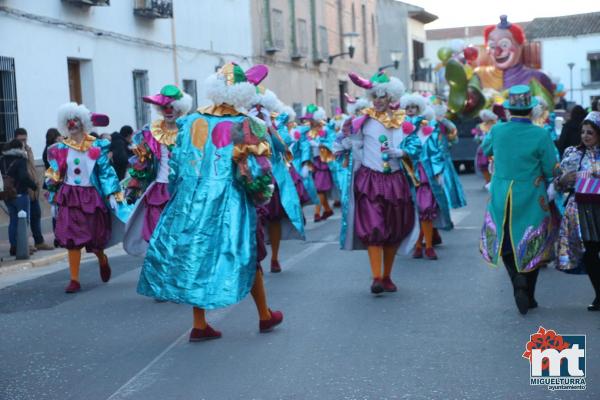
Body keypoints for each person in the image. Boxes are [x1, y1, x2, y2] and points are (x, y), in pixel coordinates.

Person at [137, 63, 283, 341]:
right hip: (231, 202)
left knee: (197, 255)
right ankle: (264, 315)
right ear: (242, 92)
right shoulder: (242, 124)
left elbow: (177, 167)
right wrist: (260, 195)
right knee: (247, 253)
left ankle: (200, 323)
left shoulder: (190, 121)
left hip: (192, 201)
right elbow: (251, 167)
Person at [480, 85, 559, 315]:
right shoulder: (541, 133)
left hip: (502, 192)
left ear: (508, 110)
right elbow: (550, 168)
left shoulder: (497, 130)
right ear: (531, 110)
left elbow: (486, 150)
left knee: (505, 239)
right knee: (532, 240)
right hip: (532, 194)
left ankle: (516, 279)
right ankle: (529, 292)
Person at [339, 70, 420, 294]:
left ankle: (386, 276)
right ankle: (376, 277)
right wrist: (345, 143)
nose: (378, 101)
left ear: (391, 98)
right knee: (374, 228)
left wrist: (401, 151)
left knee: (394, 228)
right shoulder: (361, 120)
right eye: (375, 96)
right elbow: (345, 140)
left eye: (383, 97)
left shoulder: (403, 121)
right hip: (369, 179)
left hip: (395, 180)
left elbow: (415, 146)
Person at [45, 103, 130, 293]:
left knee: (94, 238)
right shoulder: (60, 149)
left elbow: (106, 173)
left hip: (91, 196)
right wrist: (52, 191)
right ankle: (74, 279)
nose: (72, 124)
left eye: (75, 121)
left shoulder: (96, 146)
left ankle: (102, 258)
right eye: (68, 122)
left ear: (84, 123)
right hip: (69, 196)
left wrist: (112, 195)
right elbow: (55, 172)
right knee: (71, 238)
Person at [122, 85, 192, 256]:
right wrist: (134, 187)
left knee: (180, 235)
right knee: (156, 234)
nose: (168, 111)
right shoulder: (151, 132)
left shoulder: (190, 130)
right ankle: (159, 271)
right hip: (158, 191)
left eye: (172, 107)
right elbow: (142, 162)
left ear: (180, 108)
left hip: (183, 190)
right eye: (164, 107)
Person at [247, 85, 305, 273]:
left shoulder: (276, 123)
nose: (257, 108)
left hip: (274, 177)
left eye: (260, 105)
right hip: (251, 177)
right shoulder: (242, 123)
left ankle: (274, 257)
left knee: (273, 219)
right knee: (254, 220)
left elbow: (284, 146)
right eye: (253, 105)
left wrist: (269, 126)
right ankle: (256, 259)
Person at [555, 111, 600, 311]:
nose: (585, 136)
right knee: (590, 253)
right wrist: (563, 180)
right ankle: (599, 295)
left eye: (590, 132)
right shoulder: (573, 154)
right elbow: (559, 185)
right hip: (582, 210)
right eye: (583, 132)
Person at [401, 95, 452, 260]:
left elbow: (435, 151)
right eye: (408, 108)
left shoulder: (428, 127)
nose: (410, 111)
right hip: (405, 174)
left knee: (425, 209)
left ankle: (427, 246)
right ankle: (417, 244)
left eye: (414, 108)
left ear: (419, 109)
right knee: (412, 212)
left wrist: (437, 172)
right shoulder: (399, 127)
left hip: (425, 174)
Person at [14, 128, 54, 251]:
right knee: (23, 220)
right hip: (23, 189)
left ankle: (39, 241)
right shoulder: (15, 152)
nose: (23, 142)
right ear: (15, 138)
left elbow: (31, 167)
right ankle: (22, 245)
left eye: (25, 139)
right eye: (21, 140)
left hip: (33, 189)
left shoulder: (28, 150)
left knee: (36, 215)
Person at [1, 139, 38, 256]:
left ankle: (13, 246)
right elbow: (23, 176)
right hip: (20, 194)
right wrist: (33, 186)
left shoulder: (2, 160)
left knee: (13, 221)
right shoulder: (21, 159)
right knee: (23, 221)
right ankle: (22, 247)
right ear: (19, 148)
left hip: (7, 195)